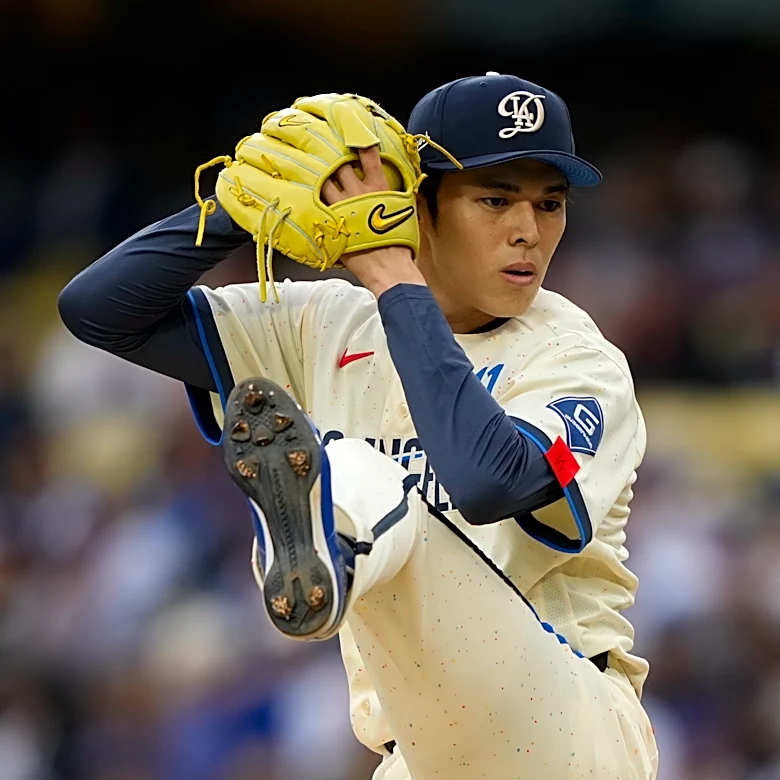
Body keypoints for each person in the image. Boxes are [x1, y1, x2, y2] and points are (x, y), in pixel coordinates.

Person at [59, 72, 659, 779]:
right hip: (416, 752)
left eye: (549, 203)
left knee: (354, 466)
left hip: (563, 723)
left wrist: (393, 275)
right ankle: (325, 536)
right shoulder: (326, 322)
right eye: (495, 199)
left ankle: (331, 536)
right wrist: (240, 206)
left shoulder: (577, 359)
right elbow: (99, 311)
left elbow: (486, 483)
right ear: (415, 203)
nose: (528, 230)